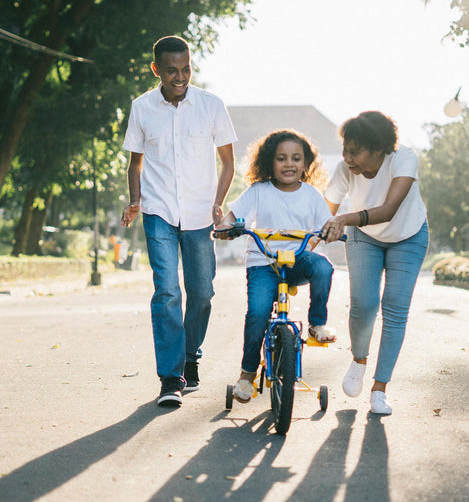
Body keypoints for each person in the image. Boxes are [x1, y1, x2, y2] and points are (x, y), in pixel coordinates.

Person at [121, 35, 237, 407]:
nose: (180, 76)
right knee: (168, 291)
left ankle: (191, 357)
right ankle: (171, 377)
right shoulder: (141, 107)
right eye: (172, 70)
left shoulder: (211, 105)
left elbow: (228, 162)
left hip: (201, 213)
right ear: (157, 70)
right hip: (158, 212)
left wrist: (219, 203)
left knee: (202, 293)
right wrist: (135, 200)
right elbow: (135, 162)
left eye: (186, 69)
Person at [217, 130, 337, 403]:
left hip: (297, 261)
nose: (289, 164)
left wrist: (331, 231)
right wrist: (226, 226)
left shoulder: (311, 195)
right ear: (269, 162)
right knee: (258, 313)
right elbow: (232, 216)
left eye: (296, 158)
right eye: (281, 158)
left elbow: (326, 224)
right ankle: (247, 375)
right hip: (263, 263)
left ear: (306, 164)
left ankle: (317, 324)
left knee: (323, 267)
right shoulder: (258, 191)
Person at [322, 111, 428, 415]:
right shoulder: (345, 169)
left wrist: (343, 218)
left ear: (378, 149)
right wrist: (305, 244)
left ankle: (380, 389)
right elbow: (323, 212)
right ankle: (358, 360)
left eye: (355, 151)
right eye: (345, 149)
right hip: (364, 237)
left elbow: (389, 209)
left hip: (408, 235)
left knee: (395, 307)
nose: (347, 157)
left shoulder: (402, 159)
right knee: (364, 304)